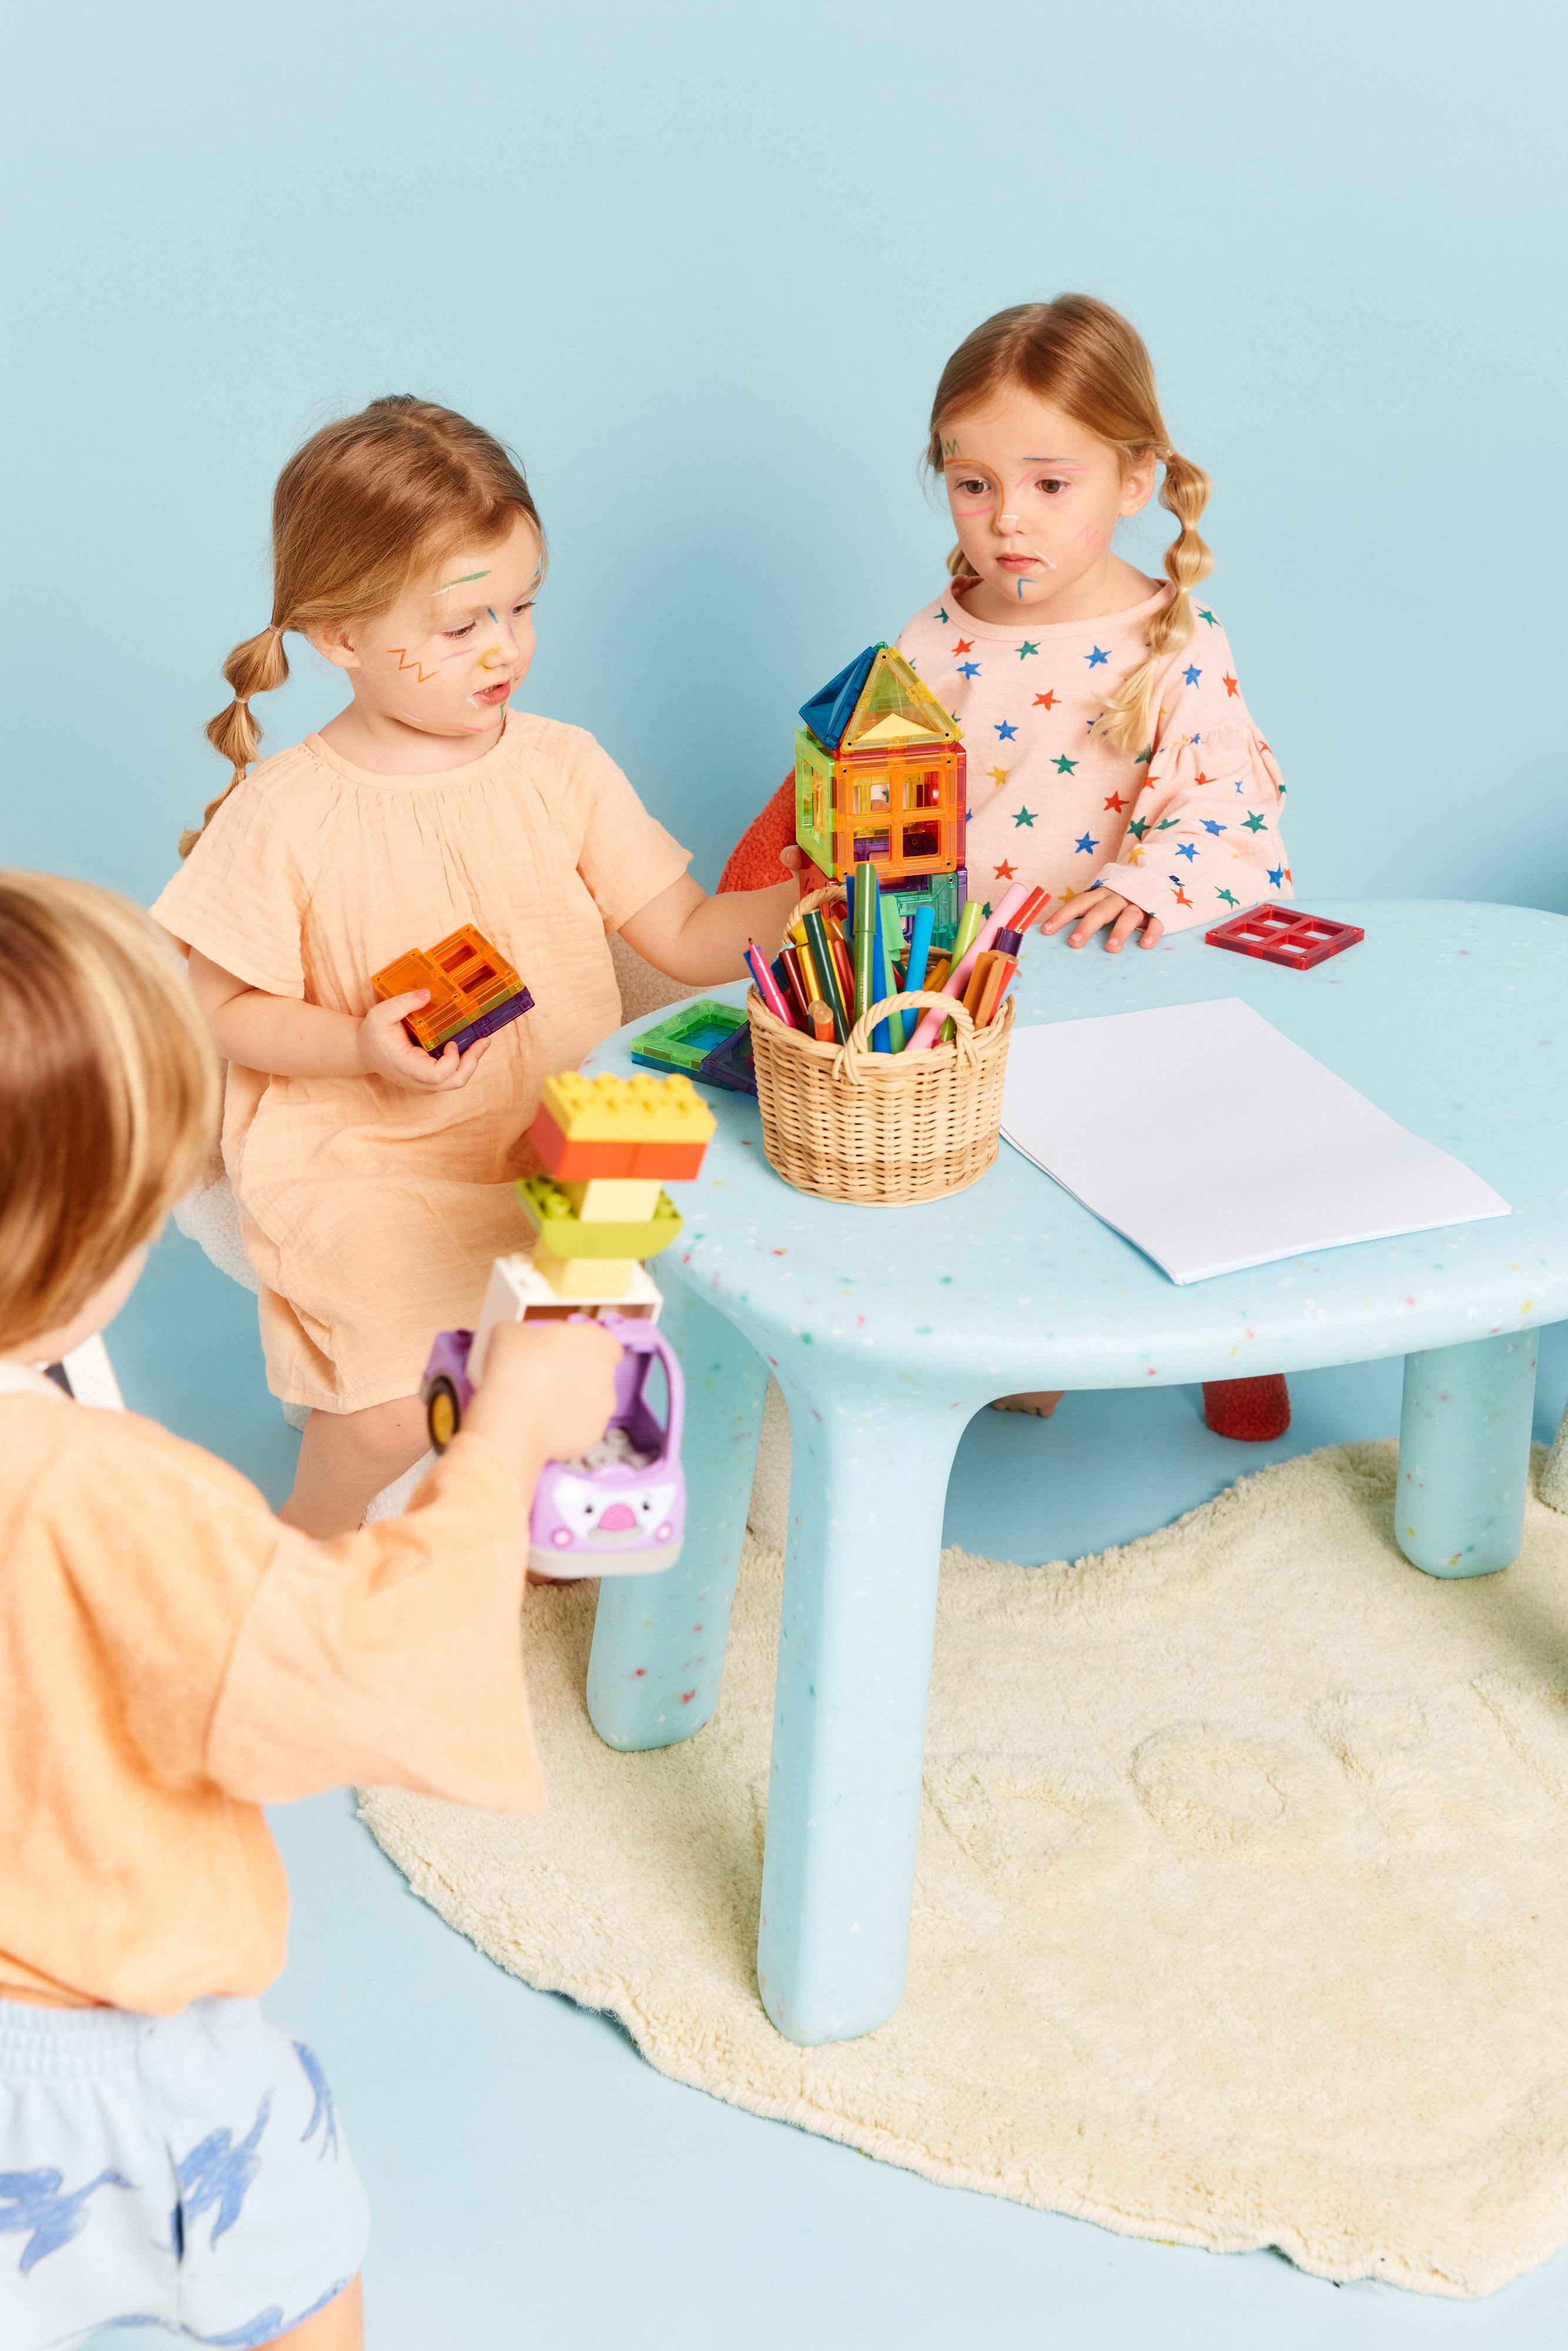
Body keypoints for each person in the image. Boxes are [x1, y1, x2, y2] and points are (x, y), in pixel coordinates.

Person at [0, 871, 622, 2350]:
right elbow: (367, 1673)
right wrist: (501, 1446)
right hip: (103, 2040)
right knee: (298, 2275)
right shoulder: (98, 1490)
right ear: (82, 1233)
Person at [153, 397, 805, 1539]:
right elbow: (220, 1011)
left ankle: (529, 1510)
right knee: (398, 1409)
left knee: (604, 1360)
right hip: (366, 1158)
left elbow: (692, 935)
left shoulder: (562, 766)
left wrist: (814, 897)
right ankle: (303, 1546)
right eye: (462, 625)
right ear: (339, 635)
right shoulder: (287, 812)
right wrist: (361, 1043)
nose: (505, 646)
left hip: (560, 1141)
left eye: (521, 606)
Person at [716, 294, 1292, 1425]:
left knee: (1187, 1157)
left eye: (1048, 483)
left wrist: (1143, 882)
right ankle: (996, 1336)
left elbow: (1232, 810)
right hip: (963, 968)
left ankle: (1238, 1334)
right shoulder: (938, 630)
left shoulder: (1173, 642)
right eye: (972, 484)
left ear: (1134, 482)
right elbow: (886, 765)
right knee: (942, 1150)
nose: (1005, 521)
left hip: (1107, 966)